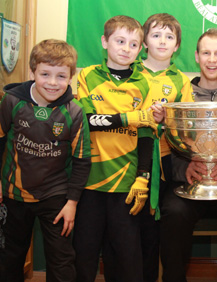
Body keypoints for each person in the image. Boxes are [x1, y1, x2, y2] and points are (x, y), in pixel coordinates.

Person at [153, 28, 217, 282]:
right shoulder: (179, 99)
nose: (212, 59)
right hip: (188, 185)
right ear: (196, 57)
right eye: (206, 53)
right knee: (173, 213)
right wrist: (183, 169)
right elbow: (168, 143)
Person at [0, 39, 91, 282]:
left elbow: (82, 161)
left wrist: (72, 202)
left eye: (61, 76)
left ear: (71, 76)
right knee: (10, 257)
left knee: (61, 261)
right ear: (32, 72)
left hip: (56, 198)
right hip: (14, 194)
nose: (52, 82)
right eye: (45, 74)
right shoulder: (11, 101)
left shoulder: (75, 111)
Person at [73, 15, 154, 282]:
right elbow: (85, 122)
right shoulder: (87, 75)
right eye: (120, 41)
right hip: (90, 181)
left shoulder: (144, 83)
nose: (126, 48)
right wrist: (125, 118)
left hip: (126, 183)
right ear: (105, 42)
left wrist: (143, 175)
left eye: (133, 44)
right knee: (84, 254)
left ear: (141, 49)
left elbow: (146, 135)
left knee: (127, 258)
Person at [138, 13, 194, 281]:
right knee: (136, 232)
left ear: (177, 45)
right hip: (130, 162)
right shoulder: (131, 71)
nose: (162, 41)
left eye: (169, 36)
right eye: (156, 35)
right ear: (145, 41)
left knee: (160, 229)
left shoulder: (181, 81)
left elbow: (186, 130)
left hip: (165, 162)